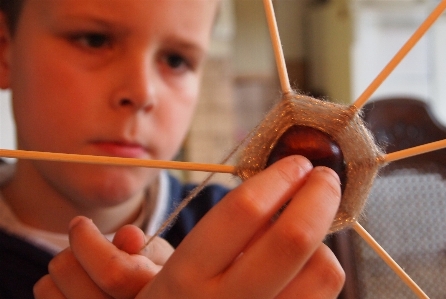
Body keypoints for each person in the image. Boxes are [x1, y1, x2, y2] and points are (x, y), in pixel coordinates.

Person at [0, 0, 345, 298]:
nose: (142, 93)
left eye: (177, 60)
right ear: (4, 48)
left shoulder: (256, 243)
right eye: (95, 40)